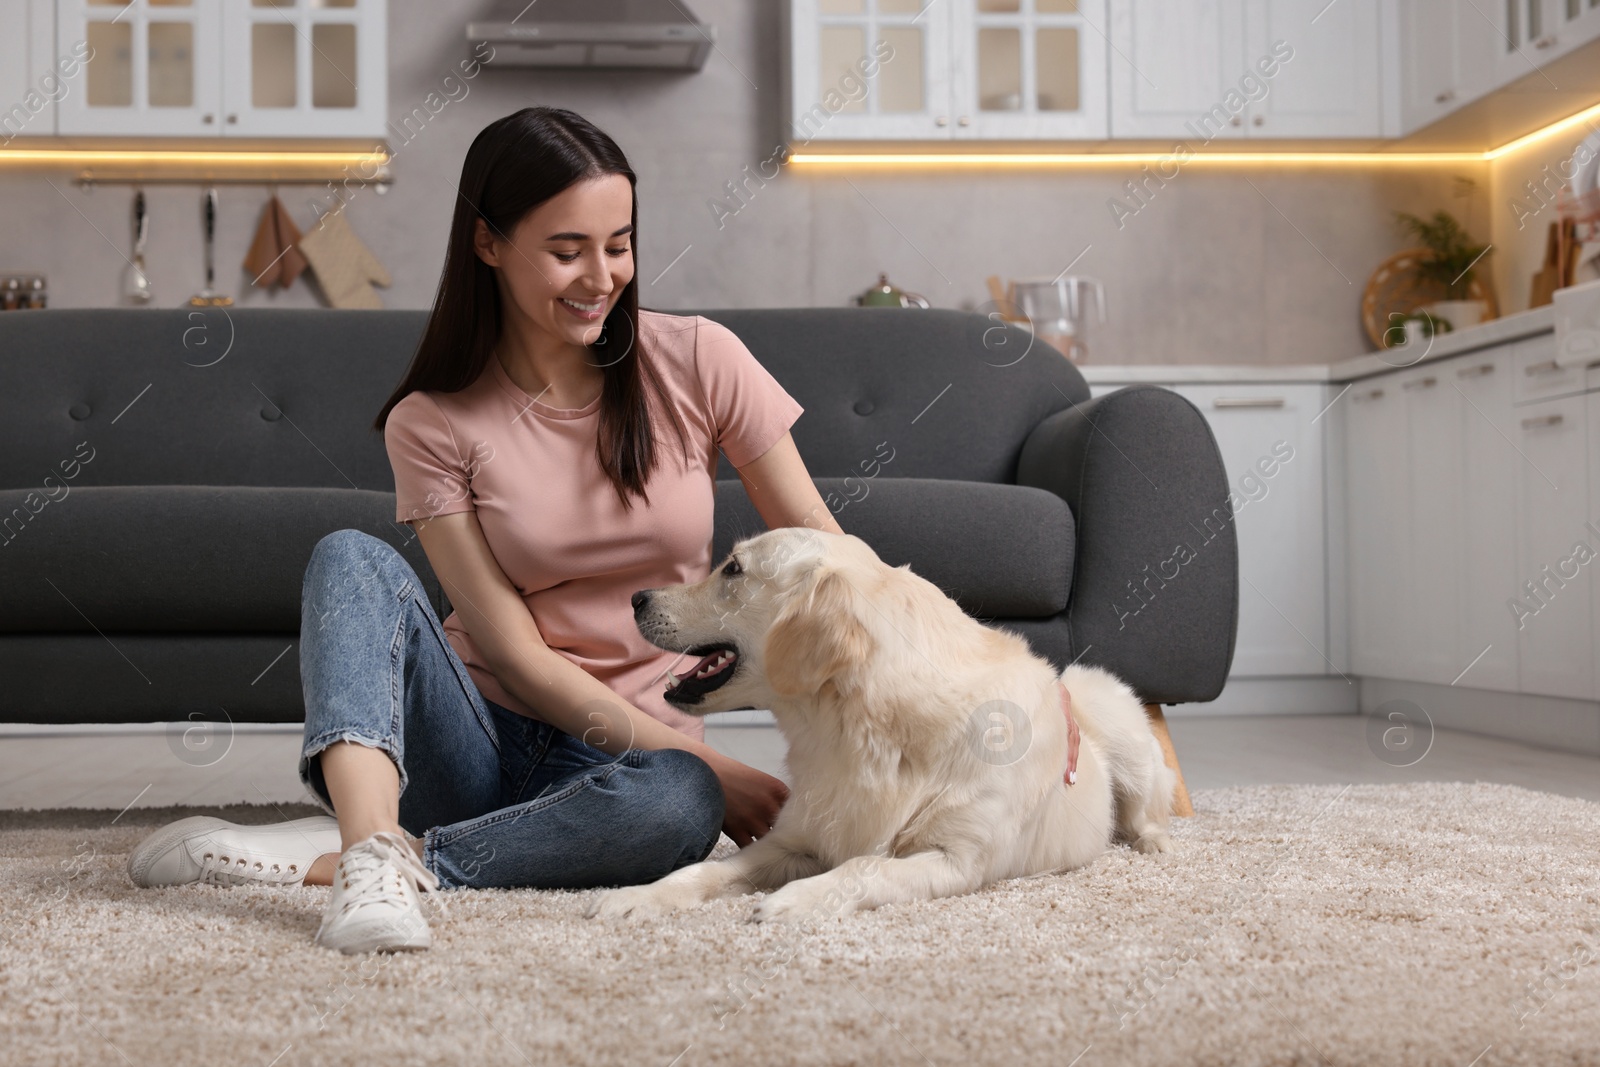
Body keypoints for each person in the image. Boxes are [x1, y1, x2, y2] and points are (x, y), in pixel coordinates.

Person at [125, 106, 1080, 954]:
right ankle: (375, 850)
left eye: (618, 244)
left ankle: (374, 855)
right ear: (489, 244)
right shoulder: (433, 419)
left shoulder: (701, 360)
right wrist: (712, 758)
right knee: (350, 558)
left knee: (679, 805)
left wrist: (1022, 692)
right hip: (475, 733)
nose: (602, 276)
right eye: (567, 248)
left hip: (627, 757)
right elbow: (510, 647)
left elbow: (840, 561)